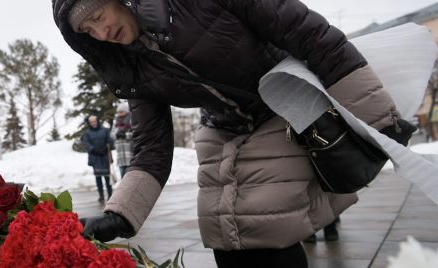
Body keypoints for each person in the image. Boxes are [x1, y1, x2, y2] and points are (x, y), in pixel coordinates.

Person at [52, 0, 417, 266]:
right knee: (224, 235)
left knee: (265, 228)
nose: (101, 33)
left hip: (284, 102)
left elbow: (312, 36)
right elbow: (152, 146)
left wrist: (379, 120)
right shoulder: (131, 64)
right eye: (88, 31)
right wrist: (120, 213)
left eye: (98, 16)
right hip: (222, 128)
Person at [82, 115, 115, 202]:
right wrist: (93, 150)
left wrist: (105, 148)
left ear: (97, 121)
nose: (93, 123)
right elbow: (86, 143)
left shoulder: (105, 130)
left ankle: (110, 194)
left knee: (107, 176)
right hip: (95, 157)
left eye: (95, 121)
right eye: (91, 122)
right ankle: (101, 195)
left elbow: (110, 141)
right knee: (98, 177)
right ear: (89, 123)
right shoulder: (87, 133)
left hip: (105, 156)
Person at [113, 102, 133, 178]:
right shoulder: (115, 121)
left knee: (129, 171)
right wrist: (116, 135)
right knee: (122, 171)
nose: (120, 114)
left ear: (126, 111)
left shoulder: (131, 120)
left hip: (129, 149)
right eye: (118, 112)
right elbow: (112, 133)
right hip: (120, 151)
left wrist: (125, 135)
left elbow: (134, 133)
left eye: (121, 112)